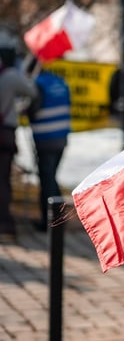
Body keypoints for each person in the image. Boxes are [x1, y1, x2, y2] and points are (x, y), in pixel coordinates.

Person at [0, 47, 38, 243]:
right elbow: (31, 91)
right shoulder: (11, 76)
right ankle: (4, 223)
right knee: (3, 179)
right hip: (5, 133)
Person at [26, 68, 71, 232]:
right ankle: (58, 219)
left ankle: (51, 223)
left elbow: (33, 108)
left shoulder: (38, 84)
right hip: (62, 137)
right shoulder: (61, 82)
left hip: (45, 138)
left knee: (47, 180)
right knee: (51, 177)